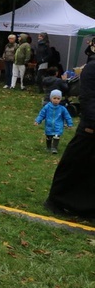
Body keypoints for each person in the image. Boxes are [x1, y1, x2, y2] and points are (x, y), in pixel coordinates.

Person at [44, 54, 95, 218]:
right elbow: (88, 98)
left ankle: (86, 207)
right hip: (90, 126)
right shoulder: (92, 69)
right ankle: (55, 200)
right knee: (74, 163)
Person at [35, 89, 73, 154]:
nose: (56, 100)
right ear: (51, 98)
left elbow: (67, 116)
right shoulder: (47, 107)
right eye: (54, 98)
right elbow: (42, 114)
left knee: (56, 136)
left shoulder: (62, 109)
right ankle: (48, 147)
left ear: (60, 99)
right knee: (49, 137)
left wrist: (70, 124)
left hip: (58, 126)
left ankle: (54, 148)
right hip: (49, 126)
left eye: (58, 98)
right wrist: (37, 121)